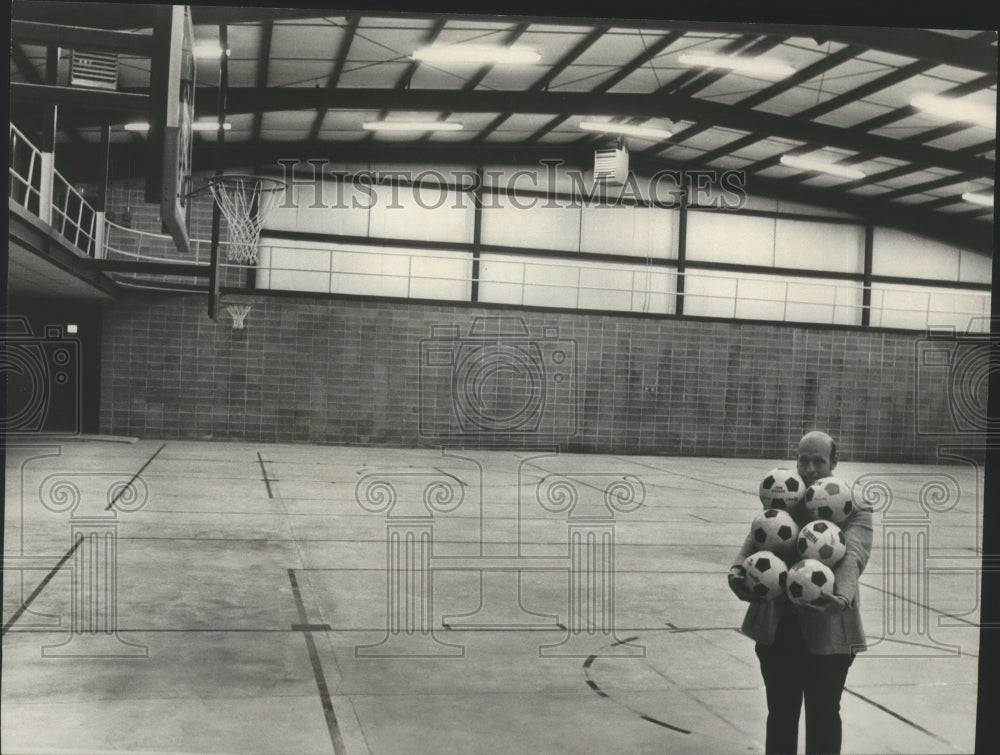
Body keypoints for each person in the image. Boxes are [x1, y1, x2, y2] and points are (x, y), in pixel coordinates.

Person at [728, 431, 873, 754]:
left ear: (834, 463)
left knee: (823, 718)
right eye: (803, 459)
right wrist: (737, 571)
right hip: (778, 628)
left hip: (829, 630)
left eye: (818, 461)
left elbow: (853, 555)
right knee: (780, 716)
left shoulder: (853, 505)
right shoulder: (783, 496)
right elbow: (757, 537)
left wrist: (840, 598)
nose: (808, 469)